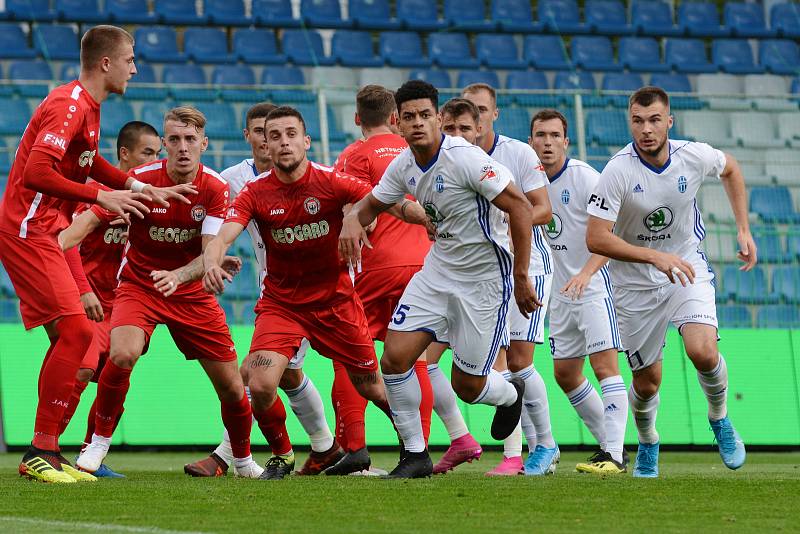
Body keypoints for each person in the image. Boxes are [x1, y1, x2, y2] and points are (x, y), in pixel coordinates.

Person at [0, 25, 190, 484]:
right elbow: (35, 174)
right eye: (129, 60)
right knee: (77, 332)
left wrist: (135, 184)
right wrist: (100, 196)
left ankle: (48, 449)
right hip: (30, 228)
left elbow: (90, 163)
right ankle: (41, 449)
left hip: (43, 229)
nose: (135, 68)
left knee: (74, 337)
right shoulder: (69, 105)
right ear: (106, 63)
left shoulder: (88, 106)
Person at [340, 80, 538, 478]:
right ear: (397, 122)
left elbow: (520, 205)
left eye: (425, 116)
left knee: (468, 385)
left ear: (438, 118)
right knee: (394, 359)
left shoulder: (464, 159)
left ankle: (509, 393)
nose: (418, 124)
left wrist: (520, 275)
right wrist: (350, 220)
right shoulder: (403, 165)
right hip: (437, 272)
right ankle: (415, 455)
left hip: (484, 281)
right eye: (409, 117)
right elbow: (373, 203)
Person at [203, 106, 403, 481]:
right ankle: (282, 455)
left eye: (291, 134)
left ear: (306, 141)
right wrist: (212, 260)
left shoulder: (331, 180)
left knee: (373, 387)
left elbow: (380, 202)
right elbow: (224, 234)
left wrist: (357, 218)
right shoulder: (254, 192)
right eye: (274, 136)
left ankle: (413, 446)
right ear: (265, 143)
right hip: (282, 305)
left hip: (335, 302)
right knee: (260, 383)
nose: (283, 142)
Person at [76, 107, 263, 479]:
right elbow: (84, 224)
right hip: (140, 286)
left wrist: (203, 268)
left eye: (190, 139)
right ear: (164, 144)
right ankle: (97, 444)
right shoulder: (140, 180)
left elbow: (211, 245)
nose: (182, 147)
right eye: (174, 139)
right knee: (123, 353)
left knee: (231, 385)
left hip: (191, 294)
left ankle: (241, 460)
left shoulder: (214, 187)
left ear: (204, 144)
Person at [586, 86, 754, 477]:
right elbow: (596, 238)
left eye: (655, 120)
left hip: (686, 267)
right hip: (634, 284)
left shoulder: (691, 156)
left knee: (704, 352)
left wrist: (743, 230)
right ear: (630, 122)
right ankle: (648, 442)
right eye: (638, 121)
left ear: (669, 122)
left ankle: (720, 419)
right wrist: (653, 256)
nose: (646, 129)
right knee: (647, 383)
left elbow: (731, 168)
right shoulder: (617, 171)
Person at [184, 102, 343, 478]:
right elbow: (208, 220)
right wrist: (212, 259)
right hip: (273, 292)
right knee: (287, 375)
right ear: (249, 137)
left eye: (276, 133)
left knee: (253, 374)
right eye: (259, 132)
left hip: (310, 292)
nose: (267, 141)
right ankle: (326, 447)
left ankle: (226, 455)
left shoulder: (315, 178)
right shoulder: (234, 179)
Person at [432, 89, 556, 477]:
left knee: (517, 362)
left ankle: (542, 447)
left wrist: (508, 219)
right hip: (482, 272)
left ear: (490, 117)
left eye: (479, 114)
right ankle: (514, 452)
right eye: (452, 124)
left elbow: (543, 209)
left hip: (528, 265)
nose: (463, 128)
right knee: (485, 361)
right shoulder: (444, 160)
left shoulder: (517, 153)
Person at [326, 85, 434, 476]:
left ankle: (354, 446)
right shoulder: (417, 153)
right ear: (395, 118)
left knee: (346, 352)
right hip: (422, 266)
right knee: (414, 358)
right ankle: (416, 451)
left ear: (358, 119)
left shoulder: (354, 154)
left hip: (374, 266)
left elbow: (350, 207)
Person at [58, 121, 162, 478]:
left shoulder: (151, 197)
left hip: (126, 306)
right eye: (147, 153)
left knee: (117, 375)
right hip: (88, 300)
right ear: (124, 154)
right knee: (83, 366)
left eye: (156, 154)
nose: (153, 160)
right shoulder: (98, 192)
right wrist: (83, 290)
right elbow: (67, 241)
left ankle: (91, 455)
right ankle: (46, 449)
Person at [529, 109, 628, 474]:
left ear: (566, 142)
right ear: (530, 142)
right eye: (541, 135)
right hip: (556, 294)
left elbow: (610, 233)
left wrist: (587, 273)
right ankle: (610, 445)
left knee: (605, 367)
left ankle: (614, 454)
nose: (548, 142)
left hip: (592, 286)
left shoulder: (585, 177)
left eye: (555, 135)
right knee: (566, 373)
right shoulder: (528, 184)